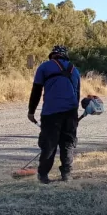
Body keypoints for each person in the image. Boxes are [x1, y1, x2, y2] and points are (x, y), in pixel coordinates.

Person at [27, 45, 81, 183]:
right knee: (67, 144)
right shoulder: (75, 70)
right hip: (71, 113)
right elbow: (77, 95)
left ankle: (43, 176)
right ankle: (66, 175)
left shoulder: (44, 67)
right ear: (65, 56)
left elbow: (36, 90)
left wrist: (31, 111)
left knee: (49, 144)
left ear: (53, 55)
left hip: (51, 113)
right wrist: (74, 117)